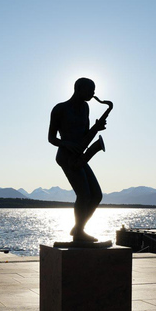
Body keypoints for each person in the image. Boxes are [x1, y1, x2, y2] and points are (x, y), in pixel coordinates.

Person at [48, 77, 106, 242]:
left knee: (96, 195)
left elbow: (84, 135)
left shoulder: (85, 108)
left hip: (79, 156)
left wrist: (96, 128)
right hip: (66, 156)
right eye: (90, 90)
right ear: (78, 88)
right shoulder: (60, 109)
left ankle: (78, 228)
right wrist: (66, 143)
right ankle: (79, 232)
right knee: (84, 195)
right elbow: (51, 138)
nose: (93, 94)